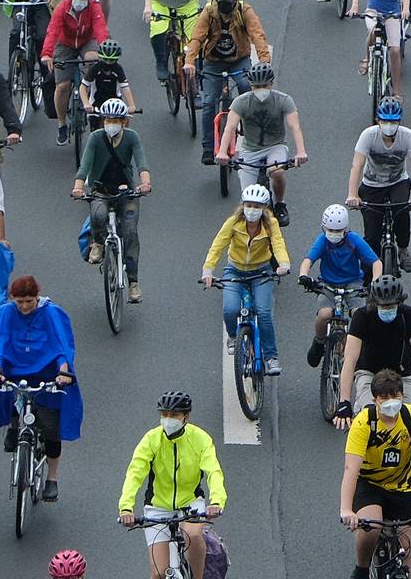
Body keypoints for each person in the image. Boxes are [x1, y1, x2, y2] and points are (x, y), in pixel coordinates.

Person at [0, 274, 81, 502]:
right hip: (16, 371)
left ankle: (52, 478)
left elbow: (61, 346)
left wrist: (63, 370)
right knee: (7, 393)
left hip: (47, 373)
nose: (24, 307)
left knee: (51, 430)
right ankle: (13, 425)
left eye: (29, 302)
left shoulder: (51, 313)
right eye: (19, 302)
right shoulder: (5, 314)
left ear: (37, 297)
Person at [341, 369, 411, 570]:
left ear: (402, 395)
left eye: (395, 396)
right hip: (370, 485)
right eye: (384, 397)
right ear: (374, 400)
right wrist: (346, 509)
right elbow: (351, 468)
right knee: (371, 528)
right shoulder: (364, 422)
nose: (390, 401)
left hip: (401, 486)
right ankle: (362, 569)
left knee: (405, 550)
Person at [117, 392, 226, 579]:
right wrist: (126, 507)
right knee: (159, 573)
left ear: (186, 417)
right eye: (164, 414)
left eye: (174, 415)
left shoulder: (200, 439)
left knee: (193, 535)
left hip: (190, 503)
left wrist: (216, 501)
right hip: (158, 507)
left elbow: (214, 472)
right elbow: (135, 474)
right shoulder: (151, 439)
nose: (168, 419)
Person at [328, 276, 411, 425]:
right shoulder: (362, 316)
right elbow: (349, 361)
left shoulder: (410, 315)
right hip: (369, 373)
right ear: (374, 302)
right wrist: (344, 402)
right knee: (369, 417)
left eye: (391, 306)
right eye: (383, 306)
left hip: (401, 375)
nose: (387, 309)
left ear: (399, 302)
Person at [201, 184, 292, 375]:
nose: (252, 210)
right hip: (235, 271)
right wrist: (208, 271)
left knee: (264, 313)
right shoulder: (233, 222)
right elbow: (217, 246)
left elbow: (278, 244)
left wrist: (283, 264)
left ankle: (271, 357)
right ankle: (233, 337)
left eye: (257, 206)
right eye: (249, 205)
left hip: (261, 272)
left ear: (264, 208)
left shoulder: (271, 223)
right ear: (242, 205)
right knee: (230, 309)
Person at [181, 0, 272, 161]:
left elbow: (257, 35)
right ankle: (208, 147)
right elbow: (197, 38)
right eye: (219, 1)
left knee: (246, 87)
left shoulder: (245, 11)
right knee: (209, 102)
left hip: (239, 60)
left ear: (234, 1)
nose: (222, 5)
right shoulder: (209, 12)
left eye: (226, 2)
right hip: (214, 61)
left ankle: (247, 124)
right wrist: (189, 61)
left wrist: (264, 60)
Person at [73, 98, 151, 304]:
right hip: (101, 190)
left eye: (115, 120)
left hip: (126, 191)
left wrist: (145, 183)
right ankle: (98, 243)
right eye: (108, 120)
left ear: (124, 122)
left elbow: (141, 162)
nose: (111, 124)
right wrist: (78, 187)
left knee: (130, 232)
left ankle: (133, 283)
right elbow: (85, 165)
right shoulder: (95, 138)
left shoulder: (132, 137)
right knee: (98, 214)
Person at [217, 63, 309, 220]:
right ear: (251, 85)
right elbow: (230, 128)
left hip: (275, 146)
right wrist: (222, 152)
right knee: (247, 198)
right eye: (257, 86)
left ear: (271, 84)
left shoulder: (284, 100)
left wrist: (301, 152)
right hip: (250, 149)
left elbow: (295, 127)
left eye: (264, 86)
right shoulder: (241, 102)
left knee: (277, 171)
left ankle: (280, 203)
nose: (261, 90)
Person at [348, 99, 411, 270]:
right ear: (378, 120)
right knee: (372, 234)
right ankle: (369, 271)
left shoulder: (408, 136)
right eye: (385, 121)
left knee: (401, 211)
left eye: (393, 122)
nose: (389, 125)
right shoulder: (368, 135)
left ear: (399, 121)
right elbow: (357, 165)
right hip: (372, 184)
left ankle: (403, 250)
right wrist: (352, 195)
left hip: (398, 182)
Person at [303, 204, 383, 361]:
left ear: (345, 228)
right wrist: (303, 275)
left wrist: (375, 282)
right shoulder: (322, 241)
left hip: (352, 283)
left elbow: (376, 262)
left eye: (338, 231)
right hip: (327, 284)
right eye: (330, 230)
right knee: (324, 314)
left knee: (359, 314)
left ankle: (359, 346)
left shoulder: (354, 240)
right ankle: (319, 341)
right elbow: (308, 260)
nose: (334, 234)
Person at [37, 0, 108, 145]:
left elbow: (100, 30)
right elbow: (53, 31)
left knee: (93, 60)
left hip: (86, 41)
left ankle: (92, 98)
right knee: (62, 86)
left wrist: (104, 50)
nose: (80, 1)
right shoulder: (62, 7)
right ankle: (62, 124)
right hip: (65, 43)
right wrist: (46, 53)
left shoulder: (94, 7)